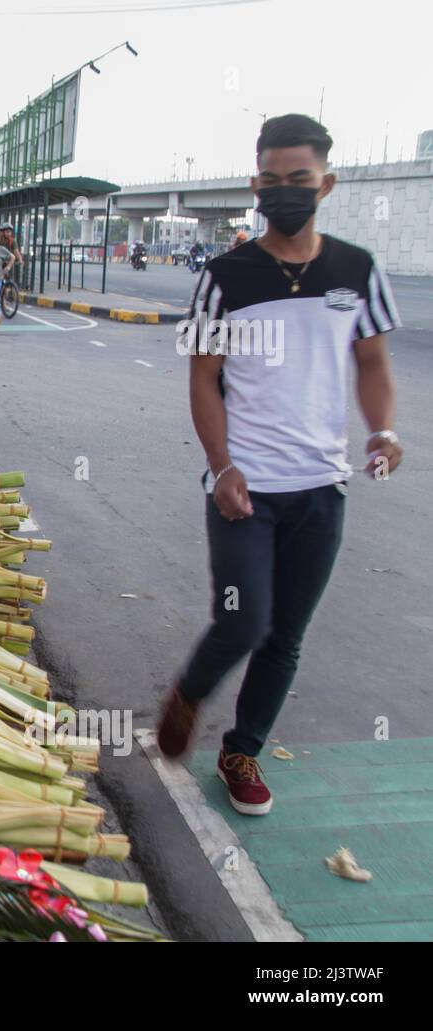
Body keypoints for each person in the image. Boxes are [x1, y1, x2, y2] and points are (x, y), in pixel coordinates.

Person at [157, 114, 403, 818]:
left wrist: (383, 429)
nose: (285, 191)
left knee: (286, 636)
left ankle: (243, 752)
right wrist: (223, 463)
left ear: (326, 183)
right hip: (244, 486)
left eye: (300, 180)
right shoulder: (224, 275)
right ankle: (188, 692)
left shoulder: (355, 270)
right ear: (254, 184)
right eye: (272, 180)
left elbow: (372, 363)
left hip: (322, 490)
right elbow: (204, 380)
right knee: (243, 619)